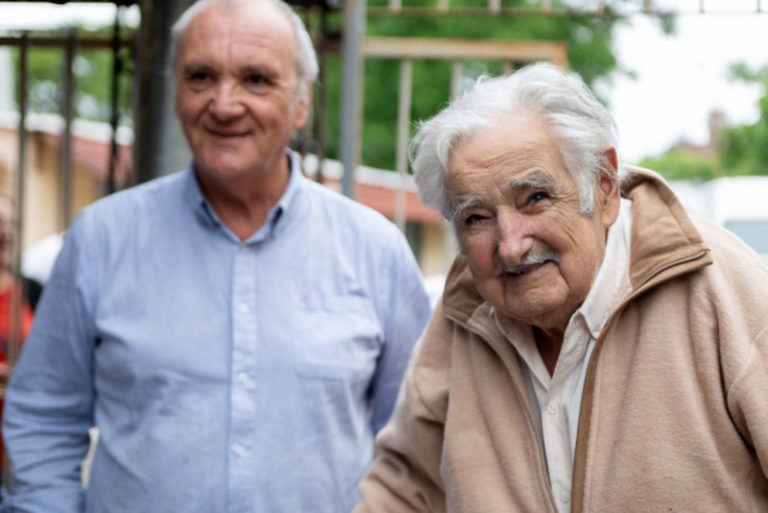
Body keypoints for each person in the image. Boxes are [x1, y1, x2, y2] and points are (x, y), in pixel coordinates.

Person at [2, 0, 431, 511]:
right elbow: (44, 418)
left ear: (301, 104)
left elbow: (411, 443)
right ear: (176, 92)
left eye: (255, 79)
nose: (225, 104)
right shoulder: (101, 239)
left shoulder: (375, 250)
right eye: (201, 76)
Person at [354, 62, 768, 512]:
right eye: (477, 218)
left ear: (604, 188)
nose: (510, 247)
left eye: (534, 199)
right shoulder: (463, 313)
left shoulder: (725, 289)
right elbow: (404, 491)